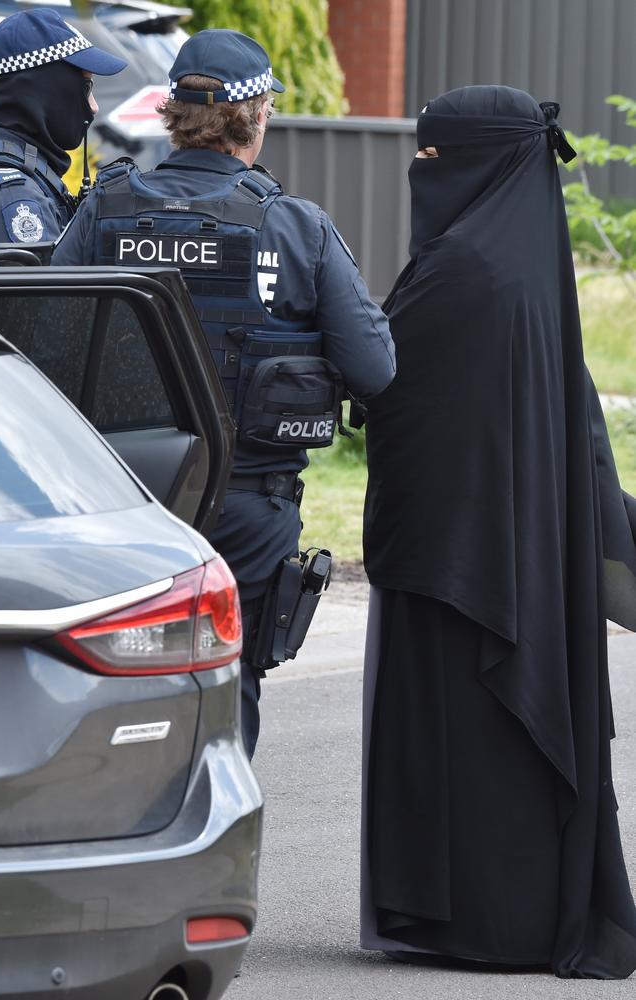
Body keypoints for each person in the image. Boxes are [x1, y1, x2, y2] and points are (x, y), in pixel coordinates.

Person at [53, 27, 395, 758]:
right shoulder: (296, 225)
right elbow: (376, 369)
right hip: (246, 503)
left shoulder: (102, 208)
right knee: (228, 694)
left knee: (112, 687)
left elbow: (40, 347)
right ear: (258, 114)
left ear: (171, 114)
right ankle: (212, 845)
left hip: (120, 505)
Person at [360, 85, 636, 979]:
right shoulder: (524, 266)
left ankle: (481, 920)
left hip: (461, 566)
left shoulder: (461, 274)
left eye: (435, 157)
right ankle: (505, 912)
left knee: (462, 745)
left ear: (478, 162)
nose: (421, 174)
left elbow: (392, 398)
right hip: (513, 557)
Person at [0, 8, 126, 244]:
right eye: (86, 90)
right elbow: (33, 282)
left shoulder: (22, 170)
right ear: (47, 92)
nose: (93, 107)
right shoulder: (14, 196)